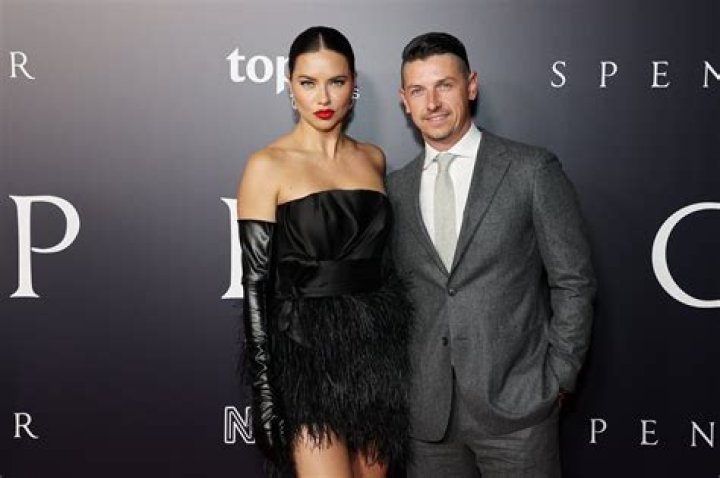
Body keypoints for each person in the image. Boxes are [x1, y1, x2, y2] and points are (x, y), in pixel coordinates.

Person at [386, 32, 596, 477]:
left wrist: (559, 376)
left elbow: (573, 281)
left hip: (518, 410)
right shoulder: (394, 189)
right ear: (404, 101)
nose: (432, 103)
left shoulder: (531, 170)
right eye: (418, 91)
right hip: (428, 418)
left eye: (444, 85)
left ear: (471, 86)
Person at [235, 26, 411, 478]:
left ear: (353, 85)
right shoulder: (266, 165)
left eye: (336, 81)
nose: (323, 97)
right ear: (290, 86)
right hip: (306, 352)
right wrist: (265, 393)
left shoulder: (373, 159)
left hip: (375, 353)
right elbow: (255, 285)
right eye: (308, 82)